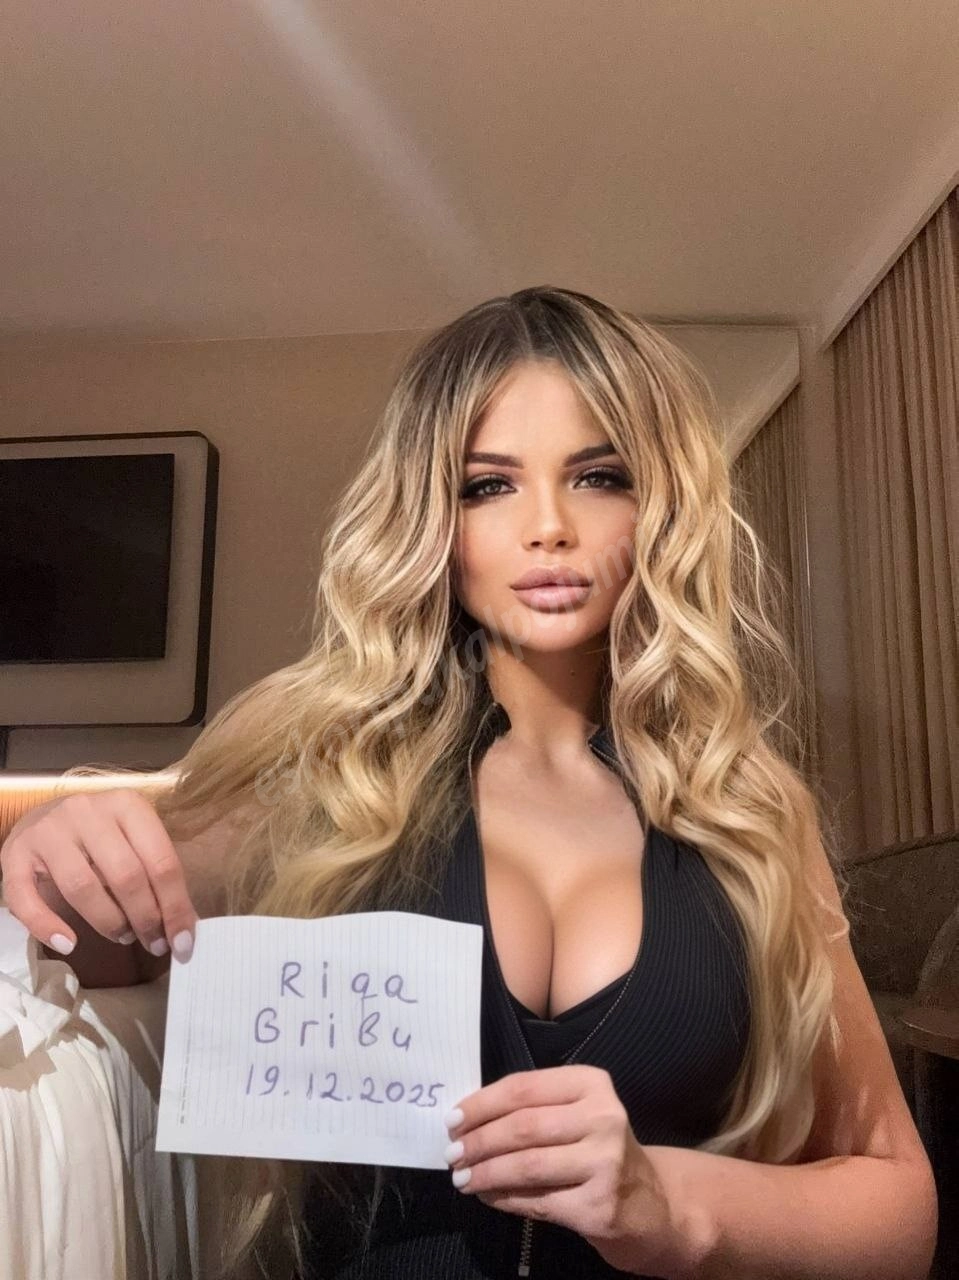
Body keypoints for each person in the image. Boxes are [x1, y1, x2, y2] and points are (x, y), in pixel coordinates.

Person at [0, 287, 938, 1279]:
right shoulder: (323, 773)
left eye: (598, 476)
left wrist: (673, 1206)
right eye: (488, 486)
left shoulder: (745, 808)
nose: (548, 526)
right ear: (429, 522)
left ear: (659, 505)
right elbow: (106, 945)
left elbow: (898, 1207)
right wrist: (57, 854)